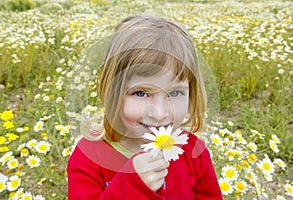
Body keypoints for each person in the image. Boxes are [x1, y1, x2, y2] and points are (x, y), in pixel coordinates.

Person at [67, 15, 223, 199]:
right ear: (112, 93)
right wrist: (133, 186)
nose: (159, 113)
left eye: (174, 93)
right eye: (141, 93)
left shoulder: (193, 152)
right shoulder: (89, 158)